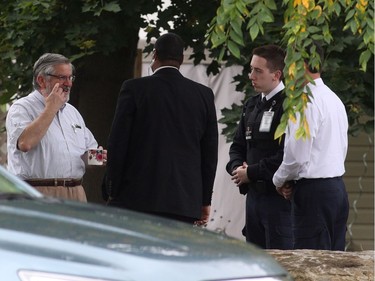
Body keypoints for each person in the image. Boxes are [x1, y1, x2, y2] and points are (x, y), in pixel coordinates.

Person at [104, 32, 218, 225]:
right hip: (184, 200)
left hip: (138, 198)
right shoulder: (203, 95)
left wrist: (111, 189)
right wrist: (204, 199)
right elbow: (209, 155)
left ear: (155, 55)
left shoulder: (134, 89)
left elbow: (118, 142)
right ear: (181, 59)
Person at [272, 43, 349, 250]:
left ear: (303, 64)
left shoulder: (303, 101)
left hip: (313, 194)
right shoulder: (334, 99)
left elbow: (297, 156)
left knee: (312, 266)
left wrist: (279, 179)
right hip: (337, 190)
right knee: (334, 266)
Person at [6, 53, 106, 202]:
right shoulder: (22, 108)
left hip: (76, 192)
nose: (69, 83)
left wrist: (100, 157)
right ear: (41, 80)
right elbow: (25, 143)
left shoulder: (72, 112)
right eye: (62, 78)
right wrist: (51, 108)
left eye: (70, 77)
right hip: (38, 193)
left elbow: (85, 155)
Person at [226, 45, 292, 249]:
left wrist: (251, 172)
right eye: (251, 69)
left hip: (278, 198)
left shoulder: (289, 104)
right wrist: (237, 169)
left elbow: (286, 155)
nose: (251, 75)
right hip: (253, 198)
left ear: (276, 74)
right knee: (255, 262)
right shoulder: (252, 104)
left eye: (258, 70)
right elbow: (237, 146)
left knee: (281, 263)